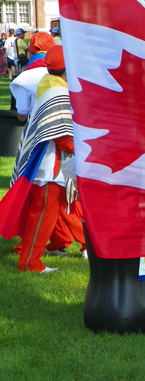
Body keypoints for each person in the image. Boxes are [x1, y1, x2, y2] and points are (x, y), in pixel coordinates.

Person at [11, 45, 86, 272]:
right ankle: (30, 262)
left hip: (49, 164)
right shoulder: (58, 91)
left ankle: (50, 249)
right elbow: (63, 136)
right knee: (42, 214)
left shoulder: (49, 85)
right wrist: (86, 148)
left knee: (54, 211)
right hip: (50, 166)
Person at [10, 32, 56, 121]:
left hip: (37, 129)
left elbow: (22, 115)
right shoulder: (63, 75)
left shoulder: (24, 79)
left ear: (30, 53)